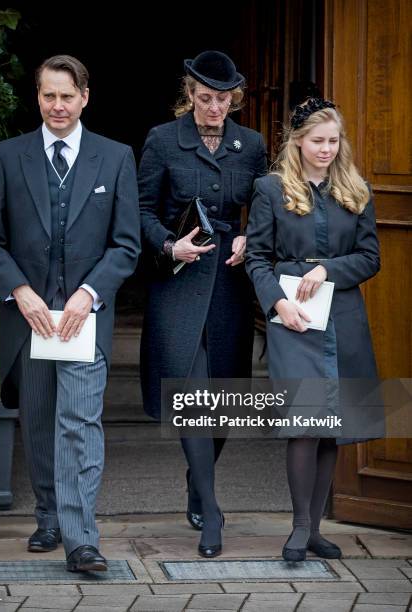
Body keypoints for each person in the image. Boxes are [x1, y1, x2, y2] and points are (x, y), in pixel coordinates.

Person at [0, 55, 140, 573]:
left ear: (85, 97)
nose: (58, 106)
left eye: (67, 96)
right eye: (49, 95)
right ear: (38, 97)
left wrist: (89, 292)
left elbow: (126, 245)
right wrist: (20, 292)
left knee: (79, 423)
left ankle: (81, 538)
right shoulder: (8, 156)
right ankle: (48, 514)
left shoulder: (115, 158)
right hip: (30, 323)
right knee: (41, 421)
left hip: (83, 319)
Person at [138, 50, 267, 557]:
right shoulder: (161, 140)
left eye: (223, 100)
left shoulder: (251, 144)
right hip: (179, 281)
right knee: (191, 396)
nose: (214, 108)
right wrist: (170, 246)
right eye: (205, 98)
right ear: (189, 94)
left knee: (224, 401)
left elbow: (267, 205)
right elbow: (142, 208)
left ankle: (198, 479)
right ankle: (212, 512)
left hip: (231, 286)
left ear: (234, 99)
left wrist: (250, 236)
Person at [246, 98, 380, 562]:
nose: (326, 149)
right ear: (298, 142)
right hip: (294, 319)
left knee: (330, 428)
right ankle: (300, 527)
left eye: (333, 140)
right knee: (305, 424)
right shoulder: (270, 189)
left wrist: (327, 269)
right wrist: (277, 303)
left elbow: (370, 257)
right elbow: (258, 258)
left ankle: (317, 528)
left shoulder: (356, 188)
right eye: (317, 141)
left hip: (342, 319)